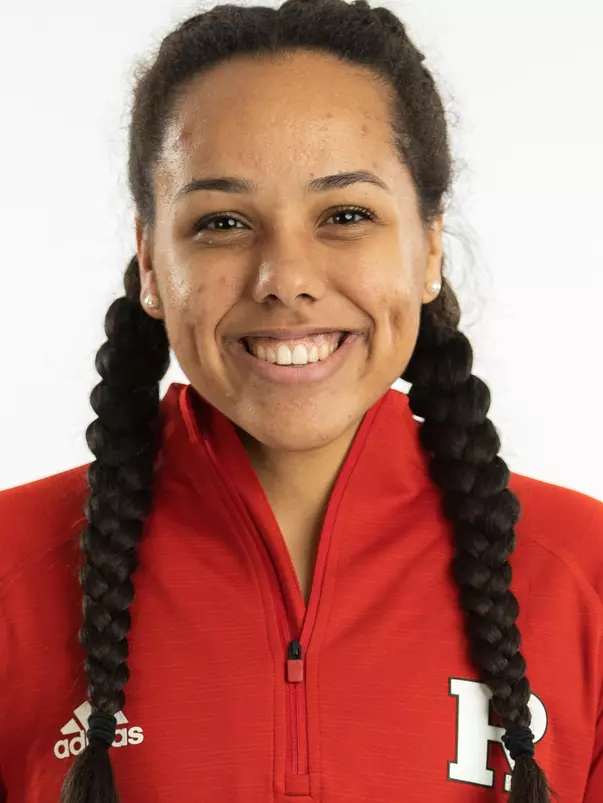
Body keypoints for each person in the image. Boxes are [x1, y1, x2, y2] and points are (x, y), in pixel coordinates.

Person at [0, 0, 602, 800]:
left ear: (427, 247)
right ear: (150, 261)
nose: (285, 277)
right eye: (221, 222)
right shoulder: (12, 569)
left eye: (345, 215)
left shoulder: (583, 573)